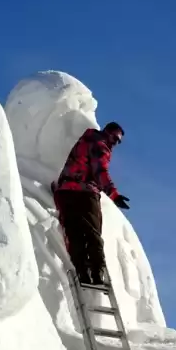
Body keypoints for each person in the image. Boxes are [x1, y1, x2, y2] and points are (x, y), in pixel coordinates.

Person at [53, 121, 130, 285]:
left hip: (65, 192)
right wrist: (114, 195)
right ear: (108, 133)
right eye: (116, 139)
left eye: (118, 141)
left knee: (75, 234)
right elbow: (100, 171)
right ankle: (96, 273)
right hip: (85, 193)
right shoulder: (100, 145)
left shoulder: (86, 140)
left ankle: (82, 272)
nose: (115, 144)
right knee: (93, 233)